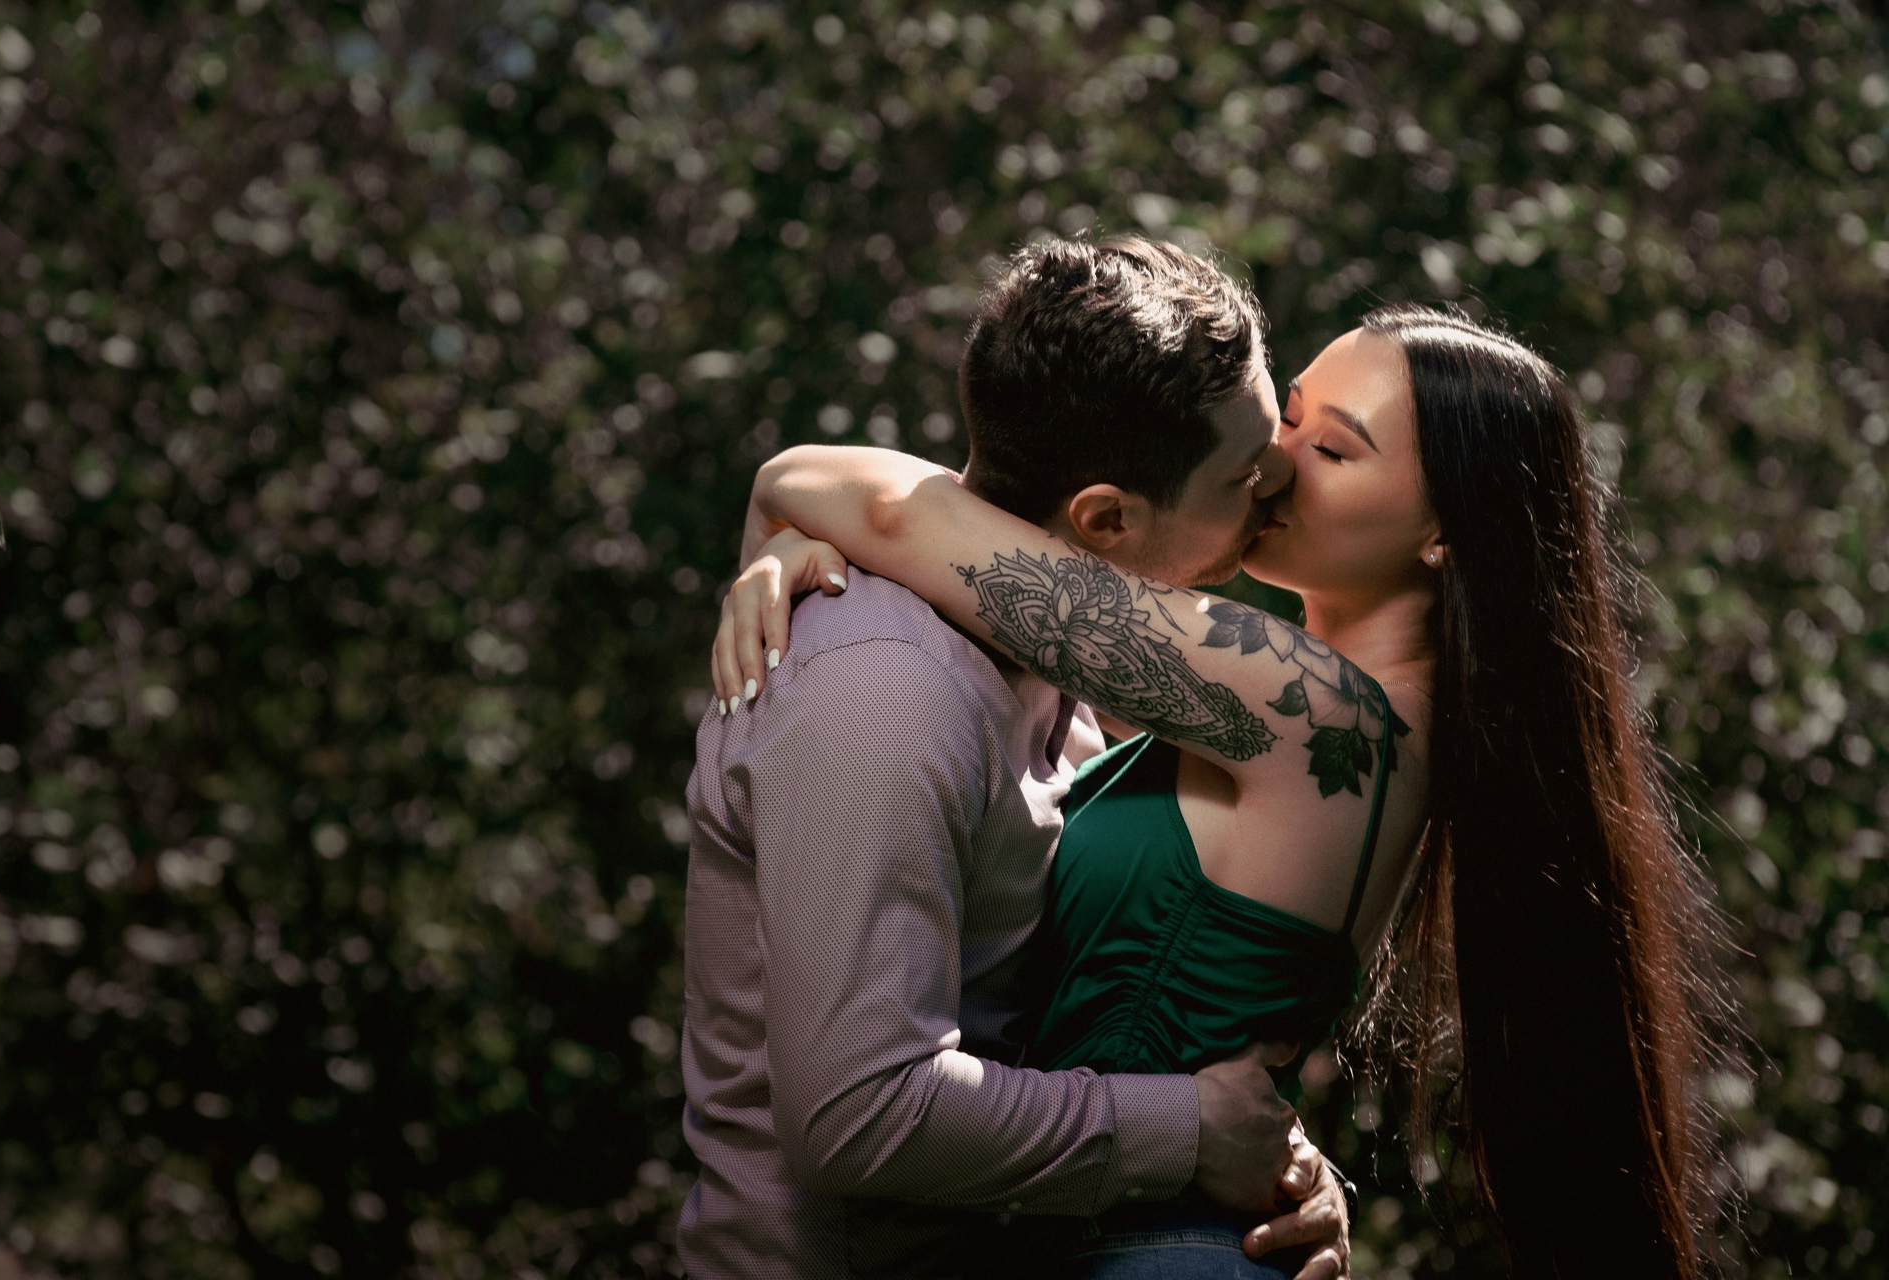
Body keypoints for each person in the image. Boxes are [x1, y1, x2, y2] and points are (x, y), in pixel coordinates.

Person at [715, 302, 1728, 1277]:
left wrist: (804, 531)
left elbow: (871, 498)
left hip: (1151, 1246)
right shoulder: (1327, 720)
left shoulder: (1312, 710)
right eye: (1289, 415)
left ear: (1444, 534)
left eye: (1334, 452)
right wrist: (819, 557)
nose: (1278, 462)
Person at [676, 238, 1352, 1280]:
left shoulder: (1068, 650)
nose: (1275, 486)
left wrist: (1269, 1154)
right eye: (1241, 472)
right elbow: (856, 1115)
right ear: (1106, 519)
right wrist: (1189, 1130)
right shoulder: (883, 695)